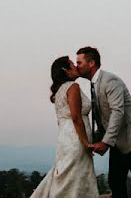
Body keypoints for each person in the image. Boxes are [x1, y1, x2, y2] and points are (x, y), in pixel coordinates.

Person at [76, 46, 131, 198]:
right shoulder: (94, 84)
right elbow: (103, 118)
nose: (76, 66)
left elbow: (117, 112)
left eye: (79, 63)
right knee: (115, 182)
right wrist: (93, 140)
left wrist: (106, 143)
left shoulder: (110, 80)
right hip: (117, 141)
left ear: (91, 63)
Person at [29, 56, 100, 197]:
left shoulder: (60, 91)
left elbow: (61, 120)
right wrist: (86, 143)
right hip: (76, 140)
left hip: (65, 139)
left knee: (68, 176)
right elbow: (76, 117)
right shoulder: (73, 87)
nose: (76, 66)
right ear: (66, 71)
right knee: (75, 176)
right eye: (73, 64)